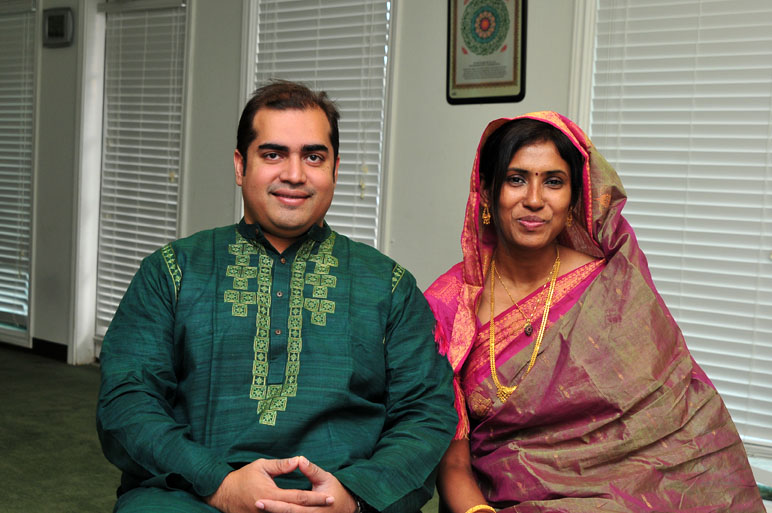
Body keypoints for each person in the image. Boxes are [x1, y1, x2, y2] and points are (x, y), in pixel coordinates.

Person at [97, 80, 456, 513]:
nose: (294, 174)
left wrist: (354, 496)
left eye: (313, 156)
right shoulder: (172, 271)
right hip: (195, 494)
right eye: (273, 154)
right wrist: (219, 483)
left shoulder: (388, 284)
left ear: (335, 169)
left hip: (340, 496)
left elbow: (426, 413)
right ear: (240, 166)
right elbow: (127, 401)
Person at [424, 111, 764, 513]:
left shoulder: (610, 285)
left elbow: (675, 415)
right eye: (516, 179)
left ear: (573, 198)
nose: (534, 200)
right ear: (487, 192)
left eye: (553, 181)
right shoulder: (449, 306)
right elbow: (453, 462)